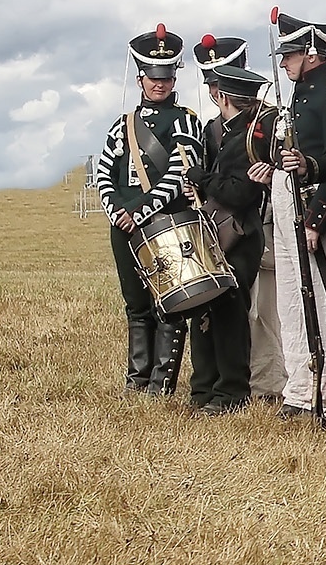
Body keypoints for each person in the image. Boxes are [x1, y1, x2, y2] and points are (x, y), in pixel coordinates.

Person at [99, 26, 202, 395]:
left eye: (167, 77)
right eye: (154, 78)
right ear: (141, 77)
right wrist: (116, 212)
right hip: (124, 226)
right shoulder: (122, 125)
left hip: (164, 222)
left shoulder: (185, 120)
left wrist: (139, 211)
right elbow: (104, 173)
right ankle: (136, 381)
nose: (160, 84)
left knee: (169, 305)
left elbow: (178, 174)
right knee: (136, 305)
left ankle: (161, 385)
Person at [269, 11, 326, 420]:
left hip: (315, 201)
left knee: (322, 301)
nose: (284, 63)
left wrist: (317, 219)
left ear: (312, 53)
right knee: (291, 301)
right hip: (287, 199)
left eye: (291, 54)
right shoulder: (302, 92)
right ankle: (300, 388)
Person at [195, 34, 283, 406]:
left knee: (233, 312)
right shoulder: (222, 132)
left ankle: (231, 390)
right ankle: (207, 387)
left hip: (241, 233)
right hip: (217, 230)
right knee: (210, 311)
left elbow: (240, 192)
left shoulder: (252, 135)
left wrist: (202, 180)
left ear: (222, 96)